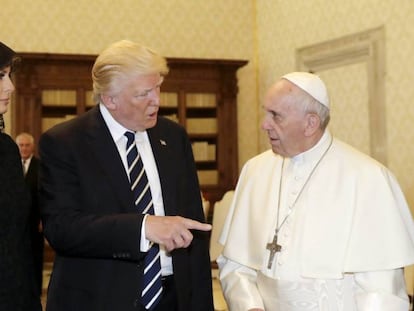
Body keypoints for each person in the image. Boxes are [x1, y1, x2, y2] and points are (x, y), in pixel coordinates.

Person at [38, 40, 214, 311]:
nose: (157, 100)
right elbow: (62, 229)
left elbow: (194, 229)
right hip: (99, 299)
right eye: (144, 93)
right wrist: (144, 227)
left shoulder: (173, 137)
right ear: (111, 99)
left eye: (157, 87)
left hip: (172, 298)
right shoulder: (65, 142)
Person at [217, 72, 414, 310]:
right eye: (266, 112)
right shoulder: (254, 171)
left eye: (276, 116)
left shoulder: (368, 178)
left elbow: (383, 291)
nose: (264, 124)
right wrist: (249, 306)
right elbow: (235, 265)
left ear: (310, 123)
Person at [0, 42, 42, 310]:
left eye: (8, 75)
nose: (11, 87)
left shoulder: (6, 149)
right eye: (0, 77)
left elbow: (16, 240)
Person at [16, 132, 44, 297]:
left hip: (36, 221)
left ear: (32, 147)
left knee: (35, 256)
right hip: (16, 223)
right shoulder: (10, 166)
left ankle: (36, 291)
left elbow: (45, 194)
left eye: (27, 145)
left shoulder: (41, 166)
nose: (24, 148)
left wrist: (43, 218)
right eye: (21, 145)